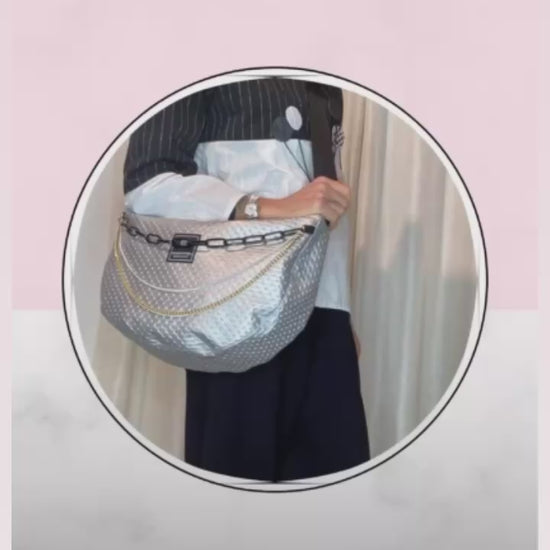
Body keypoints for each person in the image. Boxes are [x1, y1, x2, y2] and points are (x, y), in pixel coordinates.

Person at [122, 77, 370, 481]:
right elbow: (146, 182)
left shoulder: (324, 83)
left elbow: (322, 203)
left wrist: (340, 313)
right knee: (233, 489)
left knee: (334, 490)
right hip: (235, 306)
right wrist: (263, 207)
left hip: (323, 314)